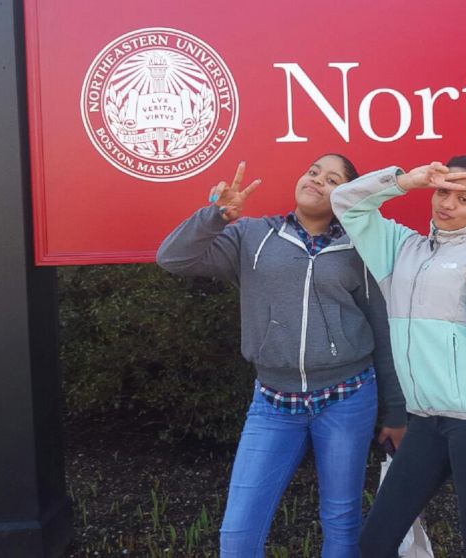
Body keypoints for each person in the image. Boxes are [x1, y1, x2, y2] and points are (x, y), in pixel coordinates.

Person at [156, 155, 406, 558]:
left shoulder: (359, 246)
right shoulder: (253, 236)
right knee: (238, 533)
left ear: (345, 195)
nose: (317, 180)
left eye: (332, 179)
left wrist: (395, 413)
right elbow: (173, 258)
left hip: (347, 397)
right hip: (273, 402)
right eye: (312, 172)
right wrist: (217, 216)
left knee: (342, 523)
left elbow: (381, 327)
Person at [330, 156, 466, 558]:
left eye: (463, 197)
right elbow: (345, 202)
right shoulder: (399, 248)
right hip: (423, 422)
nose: (448, 203)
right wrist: (406, 181)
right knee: (375, 541)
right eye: (443, 191)